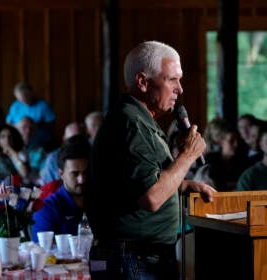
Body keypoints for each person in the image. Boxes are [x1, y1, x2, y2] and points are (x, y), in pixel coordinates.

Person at [84, 40, 216, 280]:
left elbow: (131, 184)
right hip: (133, 259)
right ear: (143, 82)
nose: (180, 89)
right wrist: (187, 156)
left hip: (137, 257)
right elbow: (151, 197)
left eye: (180, 79)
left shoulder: (137, 119)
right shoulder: (131, 124)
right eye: (171, 80)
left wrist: (183, 185)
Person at [31, 134, 91, 242]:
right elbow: (42, 253)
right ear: (61, 174)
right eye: (75, 174)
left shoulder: (101, 202)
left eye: (86, 173)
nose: (82, 179)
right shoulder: (47, 209)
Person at [5, 82, 56, 149]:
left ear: (31, 93)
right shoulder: (15, 106)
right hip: (20, 142)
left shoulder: (43, 105)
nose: (23, 101)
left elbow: (51, 123)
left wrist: (32, 127)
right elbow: (8, 123)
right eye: (20, 99)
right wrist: (19, 127)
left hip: (41, 142)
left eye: (25, 96)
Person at [39, 121, 84, 185]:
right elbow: (48, 188)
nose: (75, 144)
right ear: (64, 139)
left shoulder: (91, 156)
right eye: (71, 140)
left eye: (79, 140)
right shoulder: (52, 159)